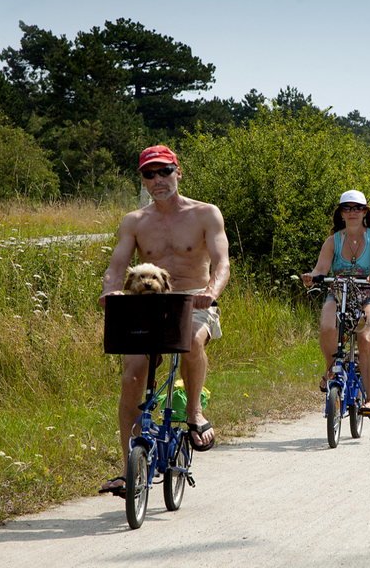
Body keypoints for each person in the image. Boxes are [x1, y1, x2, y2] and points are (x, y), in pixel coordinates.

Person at [97, 145, 230, 497]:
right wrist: (112, 293)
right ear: (142, 179)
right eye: (149, 174)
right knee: (132, 374)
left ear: (178, 172)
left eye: (164, 171)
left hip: (194, 299)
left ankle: (195, 413)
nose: (157, 180)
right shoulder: (135, 221)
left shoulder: (205, 214)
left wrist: (211, 292)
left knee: (191, 343)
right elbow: (115, 268)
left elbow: (222, 263)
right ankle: (129, 466)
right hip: (147, 306)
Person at [301, 190, 370, 415]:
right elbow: (321, 269)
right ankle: (332, 369)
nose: (352, 212)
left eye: (357, 208)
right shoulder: (333, 241)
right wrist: (312, 277)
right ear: (340, 213)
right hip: (339, 294)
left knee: (365, 338)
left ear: (365, 212)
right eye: (347, 208)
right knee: (327, 328)